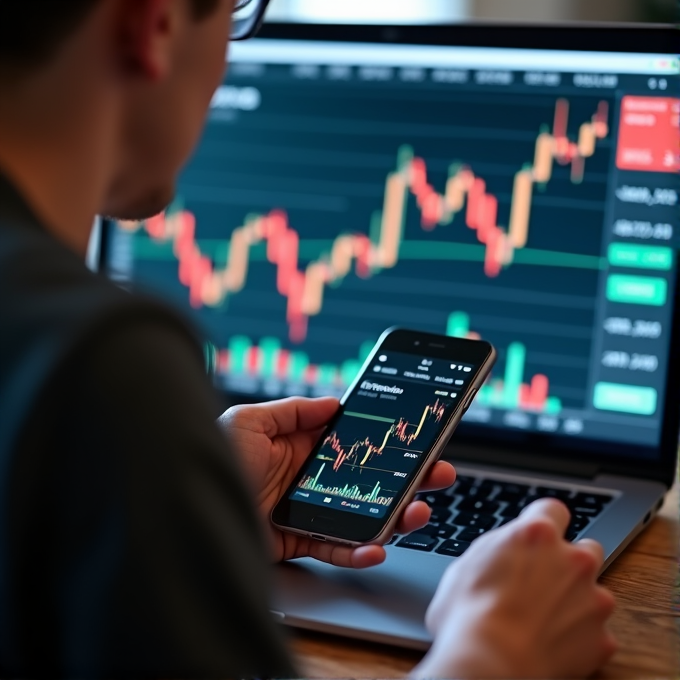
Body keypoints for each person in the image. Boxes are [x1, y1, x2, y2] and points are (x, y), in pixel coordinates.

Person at [0, 0, 617, 677]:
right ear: (154, 25)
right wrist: (497, 652)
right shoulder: (103, 362)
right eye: (233, 19)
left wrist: (178, 508)